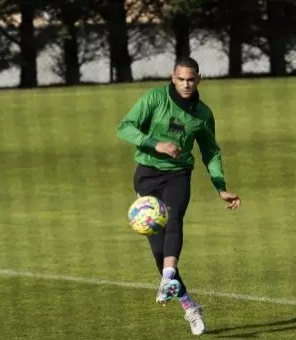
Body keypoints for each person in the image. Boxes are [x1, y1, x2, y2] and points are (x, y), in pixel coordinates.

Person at [115, 57, 241, 335]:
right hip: (147, 176)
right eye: (181, 79)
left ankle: (168, 277)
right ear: (173, 77)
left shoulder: (203, 114)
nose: (186, 84)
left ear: (199, 79)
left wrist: (221, 187)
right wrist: (155, 143)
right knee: (159, 252)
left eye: (191, 79)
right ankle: (189, 305)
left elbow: (211, 151)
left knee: (174, 221)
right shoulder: (155, 99)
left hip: (178, 175)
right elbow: (124, 127)